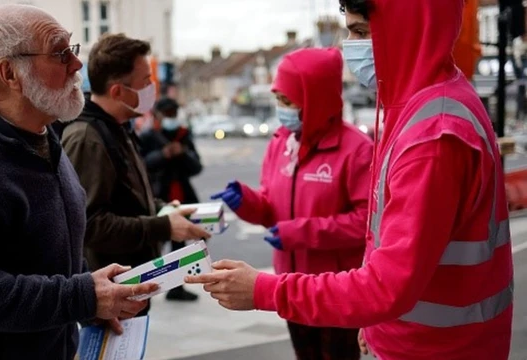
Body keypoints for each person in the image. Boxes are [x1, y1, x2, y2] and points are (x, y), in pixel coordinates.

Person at [186, 1, 514, 359]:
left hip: (435, 348)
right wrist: (376, 327)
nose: (349, 46)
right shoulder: (421, 107)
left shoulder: (432, 137)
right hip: (410, 335)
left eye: (360, 32)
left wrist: (265, 290)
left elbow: (388, 284)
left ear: (407, 29)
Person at [0, 5, 157, 360]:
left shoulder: (43, 138)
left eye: (73, 49)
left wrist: (92, 303)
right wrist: (81, 296)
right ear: (10, 73)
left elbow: (47, 257)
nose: (76, 65)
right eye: (59, 53)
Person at [210, 47, 372, 359]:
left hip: (334, 288)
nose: (280, 109)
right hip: (290, 284)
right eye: (278, 99)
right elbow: (272, 209)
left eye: (287, 101)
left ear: (316, 99)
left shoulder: (357, 150)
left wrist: (300, 232)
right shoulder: (282, 142)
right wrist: (246, 201)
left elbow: (366, 221)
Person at [60, 34, 211, 315]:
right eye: (145, 82)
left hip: (131, 285)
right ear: (118, 91)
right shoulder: (87, 139)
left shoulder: (118, 129)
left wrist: (163, 209)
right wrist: (163, 227)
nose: (152, 88)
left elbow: (126, 197)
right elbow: (90, 225)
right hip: (108, 296)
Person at [139, 97, 204, 301]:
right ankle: (145, 285)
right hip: (159, 195)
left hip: (181, 195)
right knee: (155, 242)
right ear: (158, 115)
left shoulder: (184, 135)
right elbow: (142, 164)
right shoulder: (149, 136)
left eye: (173, 114)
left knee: (179, 243)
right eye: (167, 114)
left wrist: (182, 153)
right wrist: (163, 154)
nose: (170, 118)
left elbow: (197, 166)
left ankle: (176, 287)